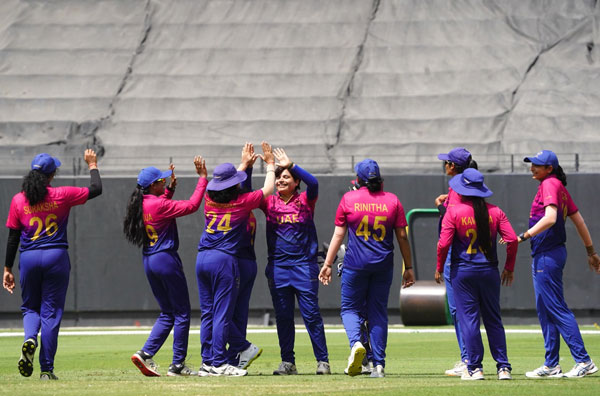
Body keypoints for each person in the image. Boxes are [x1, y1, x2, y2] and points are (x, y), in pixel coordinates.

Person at [3, 150, 102, 380]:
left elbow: (12, 237)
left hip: (28, 258)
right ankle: (46, 370)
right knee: (50, 313)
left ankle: (30, 337)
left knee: (30, 308)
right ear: (51, 175)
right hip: (56, 257)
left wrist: (7, 268)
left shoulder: (19, 199)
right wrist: (93, 164)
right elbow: (96, 189)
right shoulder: (62, 194)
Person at [319, 158, 414, 378]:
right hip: (383, 265)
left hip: (355, 265)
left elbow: (338, 235)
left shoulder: (349, 199)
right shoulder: (392, 201)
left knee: (350, 309)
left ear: (359, 179)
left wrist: (327, 264)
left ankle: (356, 345)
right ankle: (378, 365)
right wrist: (408, 266)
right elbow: (402, 237)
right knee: (378, 313)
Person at [519, 150, 600, 378]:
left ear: (549, 169)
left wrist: (524, 236)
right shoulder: (557, 186)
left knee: (556, 308)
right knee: (545, 310)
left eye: (537, 165)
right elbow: (579, 220)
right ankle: (551, 364)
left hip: (548, 255)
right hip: (547, 254)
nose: (532, 167)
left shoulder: (550, 184)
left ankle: (584, 361)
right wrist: (591, 251)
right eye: (532, 164)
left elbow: (551, 218)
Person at [196, 142, 275, 377]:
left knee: (208, 313)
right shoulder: (241, 204)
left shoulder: (209, 201)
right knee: (222, 314)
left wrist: (243, 164)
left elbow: (228, 183)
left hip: (202, 258)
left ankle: (208, 362)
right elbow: (268, 189)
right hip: (223, 260)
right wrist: (270, 164)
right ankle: (220, 363)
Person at [124, 156, 207, 377]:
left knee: (168, 313)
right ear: (152, 185)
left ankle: (145, 353)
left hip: (150, 260)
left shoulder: (140, 203)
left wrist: (169, 190)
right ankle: (177, 365)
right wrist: (202, 179)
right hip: (166, 259)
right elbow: (192, 205)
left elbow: (157, 209)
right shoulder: (158, 203)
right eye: (161, 181)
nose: (164, 182)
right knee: (182, 313)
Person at [435, 168, 517, 381]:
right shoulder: (496, 211)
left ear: (462, 191)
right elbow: (512, 239)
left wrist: (438, 267)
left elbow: (443, 243)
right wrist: (509, 267)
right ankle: (504, 368)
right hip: (489, 271)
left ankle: (475, 369)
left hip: (463, 273)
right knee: (493, 320)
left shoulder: (454, 212)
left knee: (469, 321)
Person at [260, 148, 330, 376]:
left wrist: (292, 164)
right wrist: (252, 166)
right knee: (283, 318)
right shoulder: (269, 203)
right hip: (278, 269)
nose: (281, 180)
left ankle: (323, 361)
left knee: (311, 316)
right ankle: (288, 362)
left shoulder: (305, 200)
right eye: (279, 177)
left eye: (286, 177)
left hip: (304, 267)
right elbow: (246, 194)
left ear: (296, 182)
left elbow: (315, 183)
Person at [435, 147, 478, 376]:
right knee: (467, 310)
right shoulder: (466, 183)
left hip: (457, 253)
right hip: (473, 253)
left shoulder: (457, 185)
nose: (445, 165)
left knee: (459, 310)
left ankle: (469, 359)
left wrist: (443, 206)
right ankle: (473, 358)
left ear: (453, 166)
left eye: (447, 162)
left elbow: (453, 221)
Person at [226, 143, 263, 370]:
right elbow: (245, 189)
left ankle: (238, 348)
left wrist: (246, 168)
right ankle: (235, 357)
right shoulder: (245, 208)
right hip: (249, 263)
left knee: (221, 312)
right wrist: (247, 167)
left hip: (237, 263)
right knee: (238, 314)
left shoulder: (233, 207)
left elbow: (241, 189)